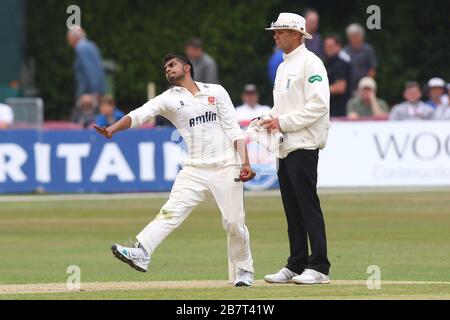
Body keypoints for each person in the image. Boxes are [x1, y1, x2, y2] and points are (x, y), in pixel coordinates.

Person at [94, 53, 256, 287]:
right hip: (194, 168)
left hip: (226, 165)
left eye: (172, 65)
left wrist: (246, 162)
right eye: (165, 68)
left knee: (233, 222)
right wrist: (112, 129)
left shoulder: (216, 91)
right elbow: (139, 114)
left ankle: (243, 270)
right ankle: (142, 252)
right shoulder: (168, 99)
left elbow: (234, 129)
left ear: (187, 67)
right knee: (170, 211)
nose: (168, 70)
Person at [261, 12, 331, 285]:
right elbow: (282, 107)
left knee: (307, 206)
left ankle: (320, 267)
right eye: (275, 32)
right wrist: (268, 118)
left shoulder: (312, 63)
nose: (276, 36)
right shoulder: (282, 66)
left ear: (297, 34)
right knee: (292, 208)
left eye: (280, 31)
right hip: (284, 144)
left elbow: (318, 105)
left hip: (304, 143)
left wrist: (283, 122)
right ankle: (296, 263)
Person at [67, 26, 106, 127]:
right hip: (93, 91)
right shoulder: (91, 45)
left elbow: (90, 71)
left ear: (73, 38)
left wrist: (92, 93)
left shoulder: (81, 49)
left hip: (87, 94)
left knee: (85, 122)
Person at [343, 23, 378, 93]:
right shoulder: (345, 50)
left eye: (355, 35)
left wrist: (367, 84)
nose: (353, 38)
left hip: (363, 87)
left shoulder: (368, 50)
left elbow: (372, 69)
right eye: (351, 35)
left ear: (361, 36)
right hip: (348, 87)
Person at [323, 35, 351, 117]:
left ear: (338, 47)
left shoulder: (341, 64)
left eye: (330, 46)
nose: (327, 48)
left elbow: (340, 88)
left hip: (339, 109)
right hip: (329, 107)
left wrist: (318, 89)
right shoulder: (326, 62)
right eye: (326, 46)